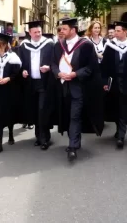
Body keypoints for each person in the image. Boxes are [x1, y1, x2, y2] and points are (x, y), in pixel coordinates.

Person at [51, 18, 104, 161]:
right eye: (60, 29)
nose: (61, 31)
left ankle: (73, 146)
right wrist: (58, 73)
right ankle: (75, 141)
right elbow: (53, 64)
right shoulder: (58, 45)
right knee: (67, 115)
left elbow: (91, 68)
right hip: (62, 86)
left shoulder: (85, 45)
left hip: (78, 87)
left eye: (64, 29)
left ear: (73, 30)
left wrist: (75, 74)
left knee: (75, 115)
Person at [101, 21, 127, 148]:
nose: (115, 33)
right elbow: (104, 65)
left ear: (125, 32)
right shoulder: (110, 46)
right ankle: (118, 129)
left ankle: (121, 136)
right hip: (113, 83)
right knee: (115, 108)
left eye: (118, 31)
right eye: (115, 31)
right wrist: (104, 82)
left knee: (124, 109)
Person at [18, 21, 56, 150]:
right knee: (34, 110)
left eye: (39, 31)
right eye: (35, 32)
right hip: (30, 83)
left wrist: (49, 67)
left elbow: (56, 61)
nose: (38, 34)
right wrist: (22, 70)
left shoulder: (49, 44)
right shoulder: (24, 46)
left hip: (44, 83)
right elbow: (21, 63)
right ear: (29, 33)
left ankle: (45, 138)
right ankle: (38, 137)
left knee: (42, 110)